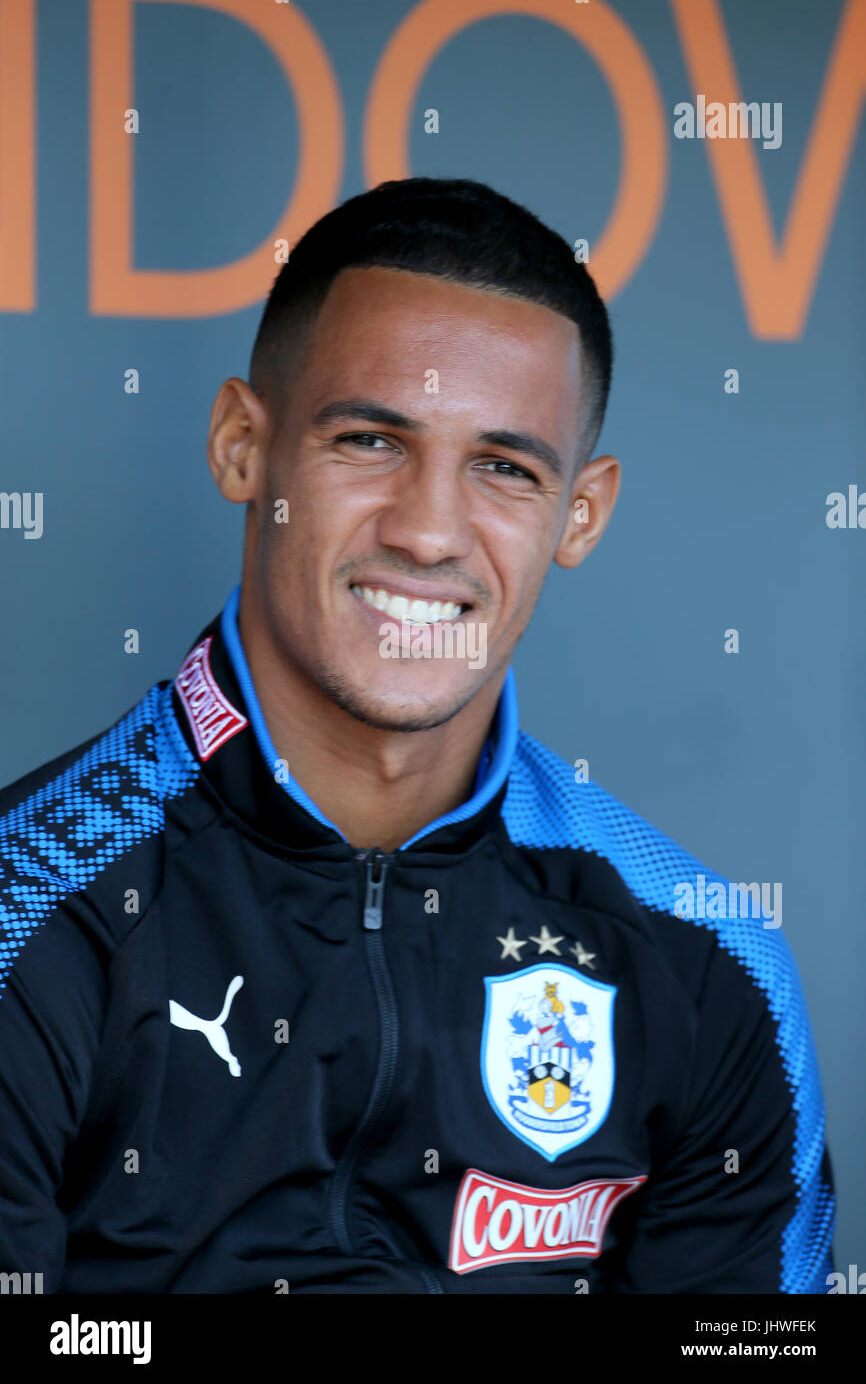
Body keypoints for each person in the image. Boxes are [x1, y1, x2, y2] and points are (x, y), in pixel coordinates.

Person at [0, 178, 834, 1294]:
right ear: (243, 446)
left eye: (502, 467)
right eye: (368, 439)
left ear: (577, 515)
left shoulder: (709, 961)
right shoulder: (24, 909)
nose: (429, 531)